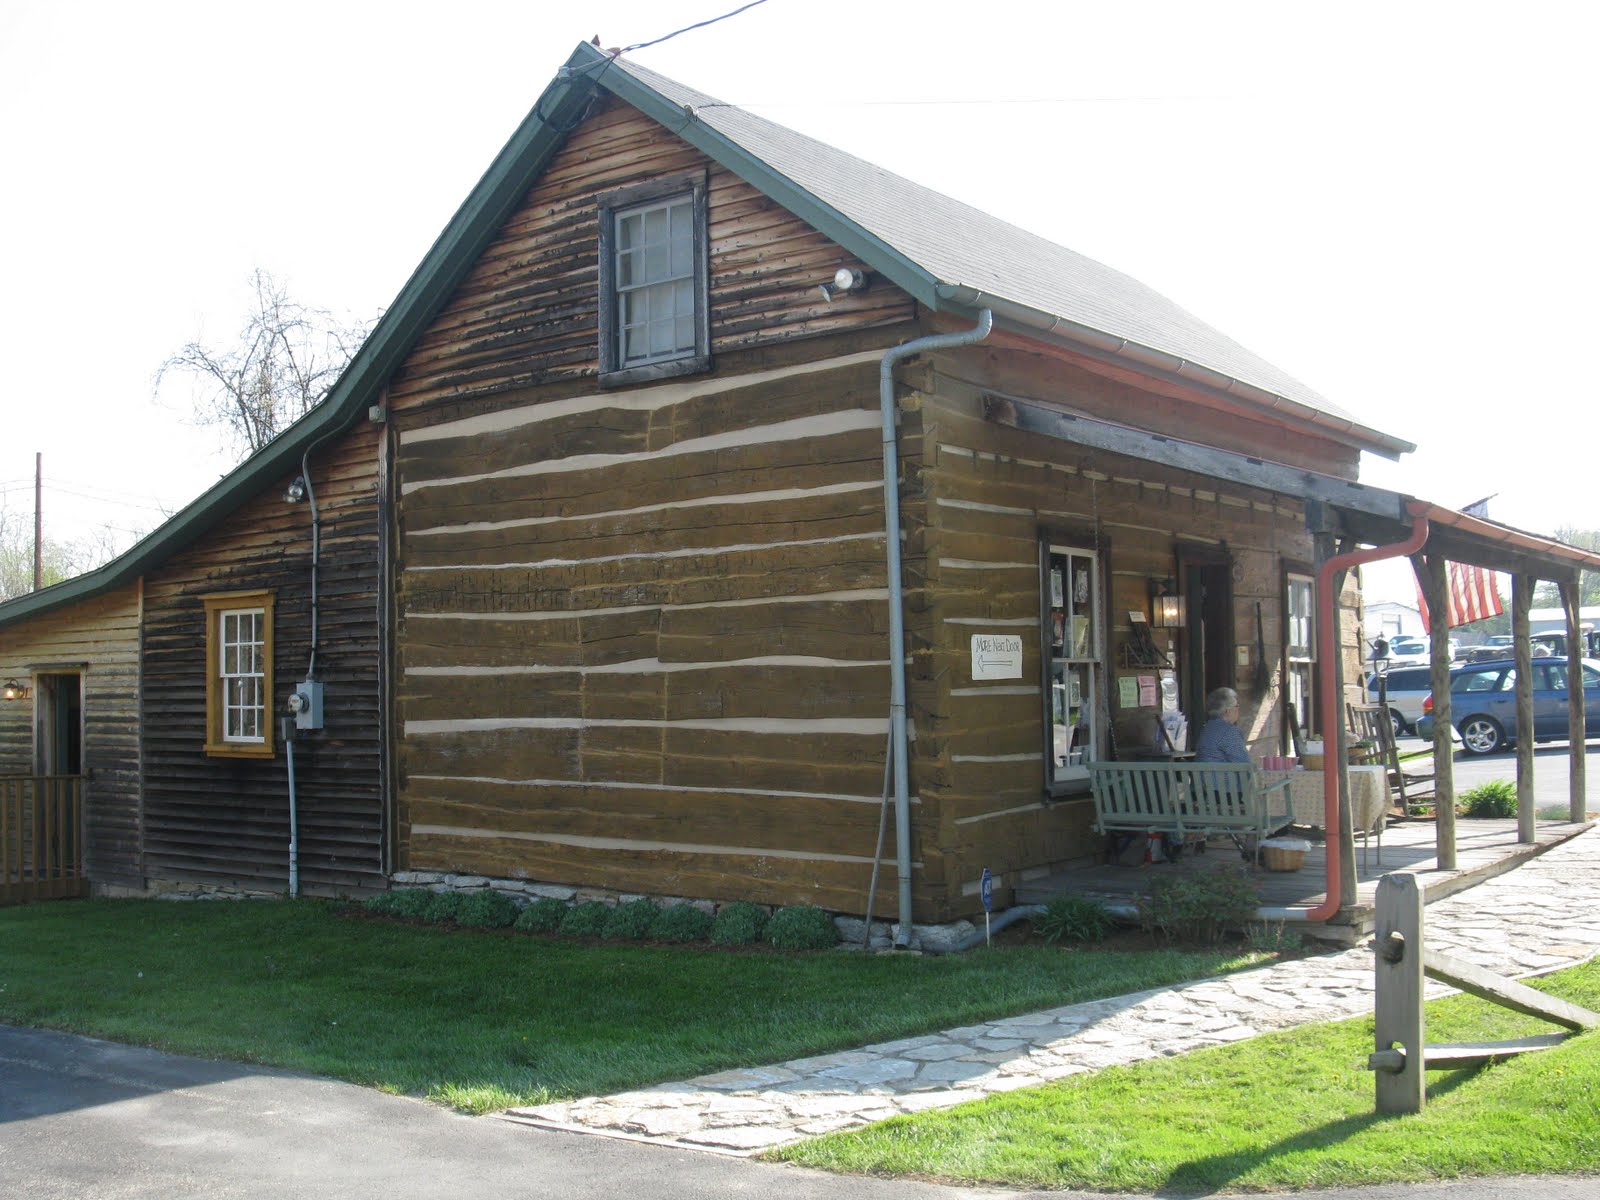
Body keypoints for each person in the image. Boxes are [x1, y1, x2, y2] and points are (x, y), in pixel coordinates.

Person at [1193, 686, 1250, 763]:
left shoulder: (1206, 729)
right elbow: (1245, 764)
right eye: (1237, 706)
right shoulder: (1230, 732)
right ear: (1228, 711)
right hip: (1223, 775)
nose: (1238, 710)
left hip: (1203, 775)